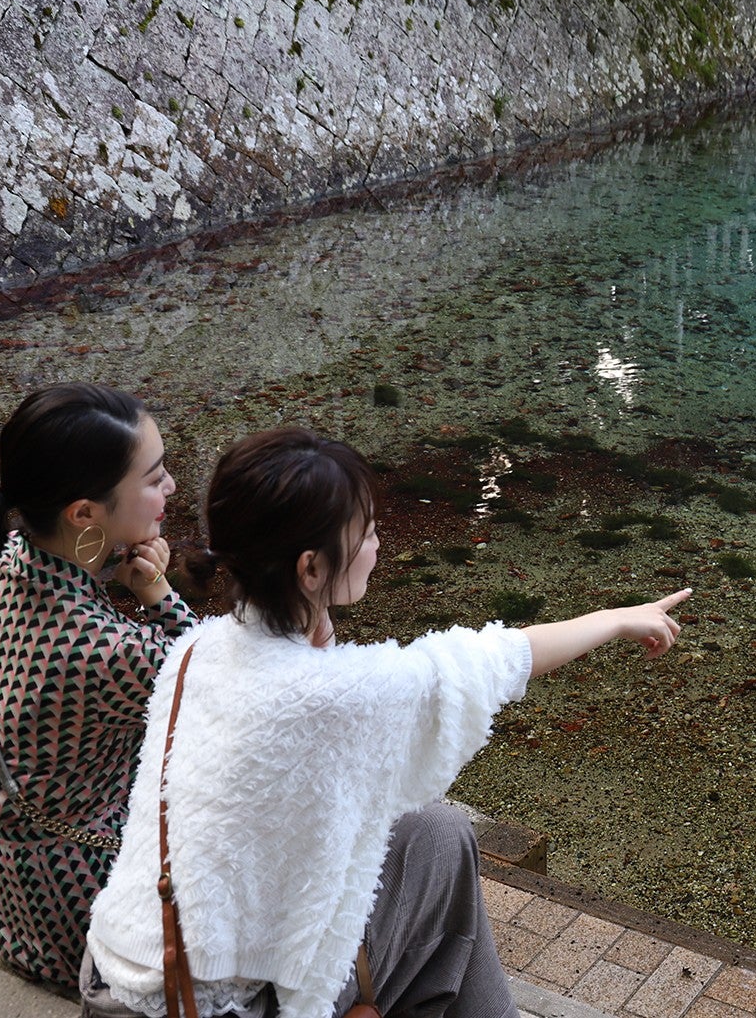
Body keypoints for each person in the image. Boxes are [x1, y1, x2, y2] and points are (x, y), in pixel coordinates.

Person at [81, 426, 690, 1018]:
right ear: (311, 569)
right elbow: (495, 660)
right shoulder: (337, 692)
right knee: (443, 842)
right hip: (210, 1006)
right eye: (368, 532)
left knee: (431, 831)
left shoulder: (198, 648)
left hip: (117, 968)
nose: (377, 546)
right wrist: (615, 618)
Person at [0, 383, 193, 987]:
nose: (172, 488)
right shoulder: (109, 652)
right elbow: (217, 678)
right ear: (84, 514)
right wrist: (157, 594)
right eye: (154, 478)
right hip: (79, 897)